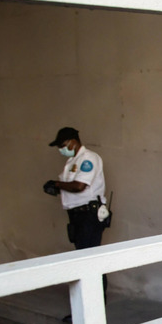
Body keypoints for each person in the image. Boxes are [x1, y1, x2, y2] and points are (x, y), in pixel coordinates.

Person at [46, 127, 109, 296]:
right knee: (84, 259)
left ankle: (95, 304)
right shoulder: (73, 161)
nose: (61, 149)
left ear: (73, 142)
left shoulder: (88, 158)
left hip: (88, 215)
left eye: (62, 145)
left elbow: (80, 186)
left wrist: (57, 184)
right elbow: (71, 186)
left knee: (90, 261)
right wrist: (56, 188)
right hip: (77, 215)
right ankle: (87, 304)